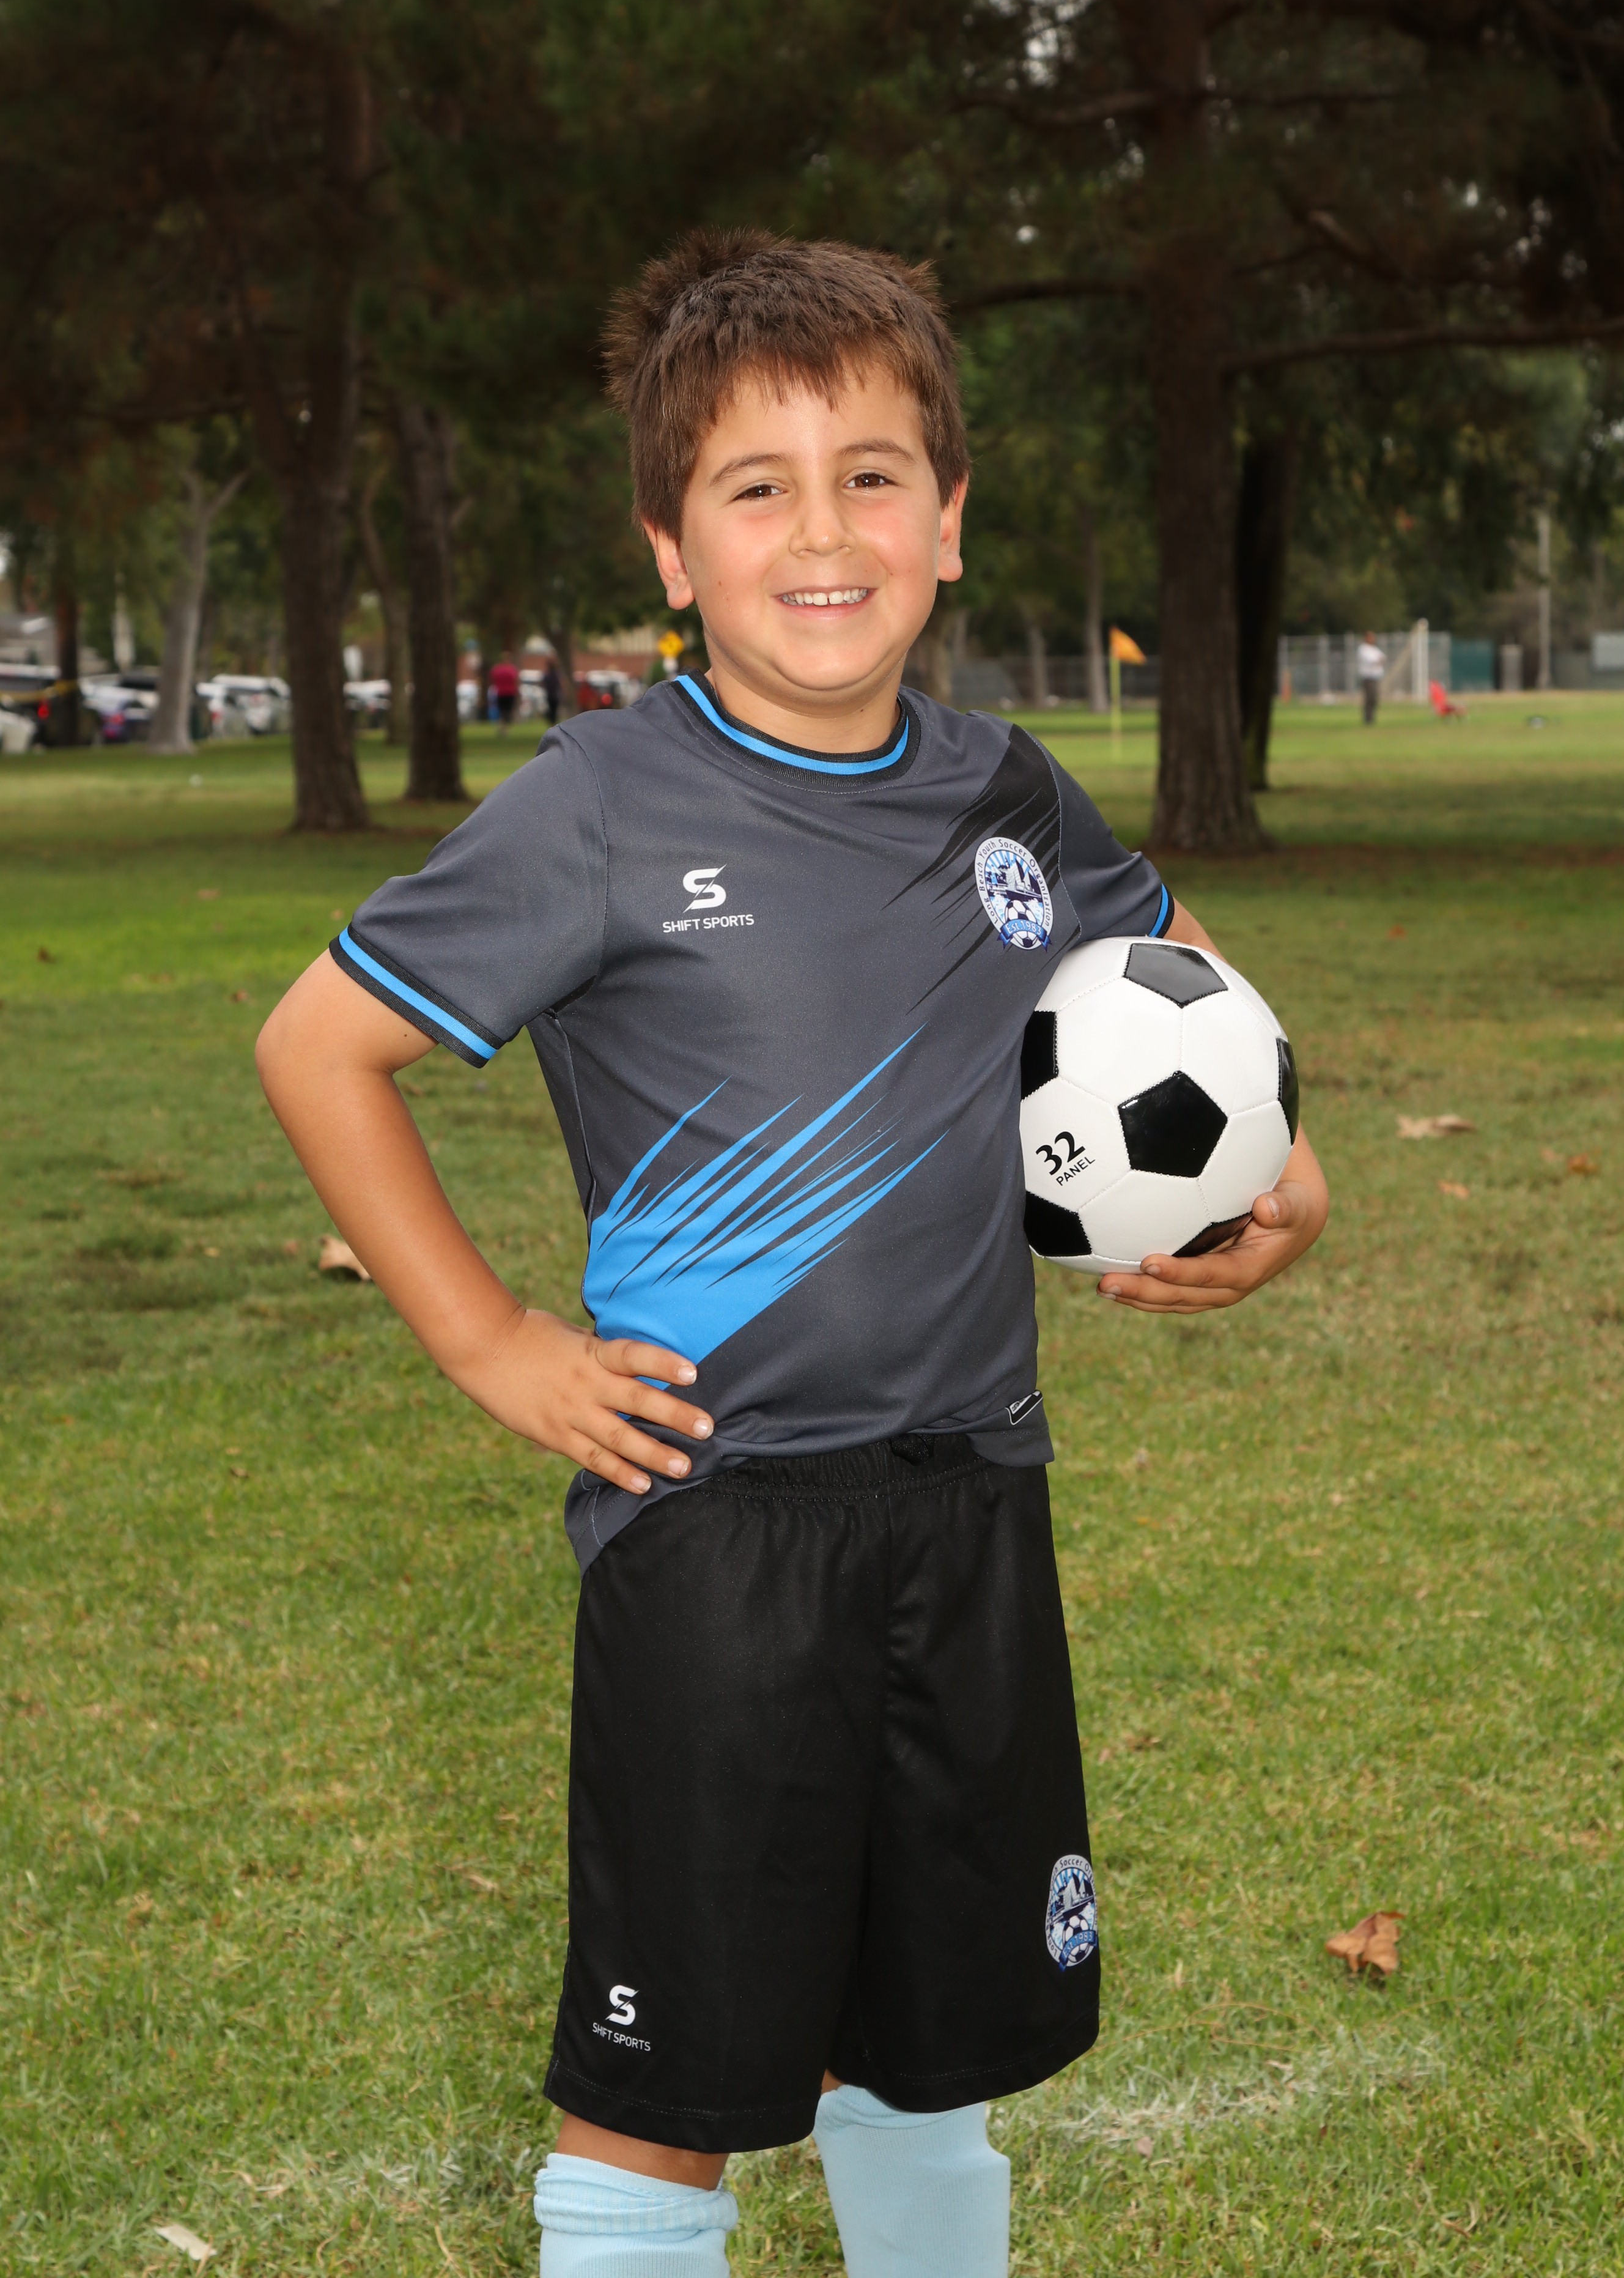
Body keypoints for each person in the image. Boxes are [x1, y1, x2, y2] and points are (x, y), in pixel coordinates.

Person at [256, 232, 1329, 2278]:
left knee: (930, 2053)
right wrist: (491, 1340)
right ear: (673, 549)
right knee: (665, 2087)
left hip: (972, 1499)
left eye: (871, 476)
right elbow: (319, 1047)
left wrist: (1292, 1179)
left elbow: (1189, 993)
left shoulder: (1005, 791)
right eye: (758, 487)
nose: (822, 531)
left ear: (947, 521)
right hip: (719, 1529)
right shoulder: (601, 802)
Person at [1357, 630, 1385, 723]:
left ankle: (1371, 718)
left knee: (1374, 698)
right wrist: (1378, 661)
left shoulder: (1374, 649)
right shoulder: (1363, 649)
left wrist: (1379, 660)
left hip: (1375, 677)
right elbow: (1372, 661)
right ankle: (1368, 719)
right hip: (1368, 677)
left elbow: (1383, 658)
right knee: (1370, 698)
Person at [490, 654, 520, 734]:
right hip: (509, 693)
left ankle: (503, 727)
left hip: (500, 693)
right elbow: (515, 681)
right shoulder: (512, 669)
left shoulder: (497, 670)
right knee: (507, 711)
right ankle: (505, 728)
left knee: (502, 711)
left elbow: (493, 680)